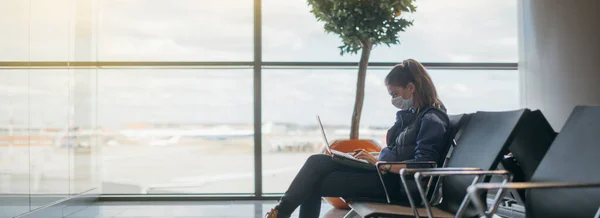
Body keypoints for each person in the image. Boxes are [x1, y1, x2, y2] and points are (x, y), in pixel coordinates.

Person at [265, 59, 451, 218]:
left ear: (411, 88)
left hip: (396, 186)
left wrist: (381, 164)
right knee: (317, 161)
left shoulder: (432, 118)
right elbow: (399, 151)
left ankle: (279, 213)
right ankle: (280, 213)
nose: (393, 99)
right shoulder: (413, 115)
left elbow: (424, 166)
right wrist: (375, 157)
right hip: (383, 174)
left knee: (312, 182)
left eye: (394, 94)